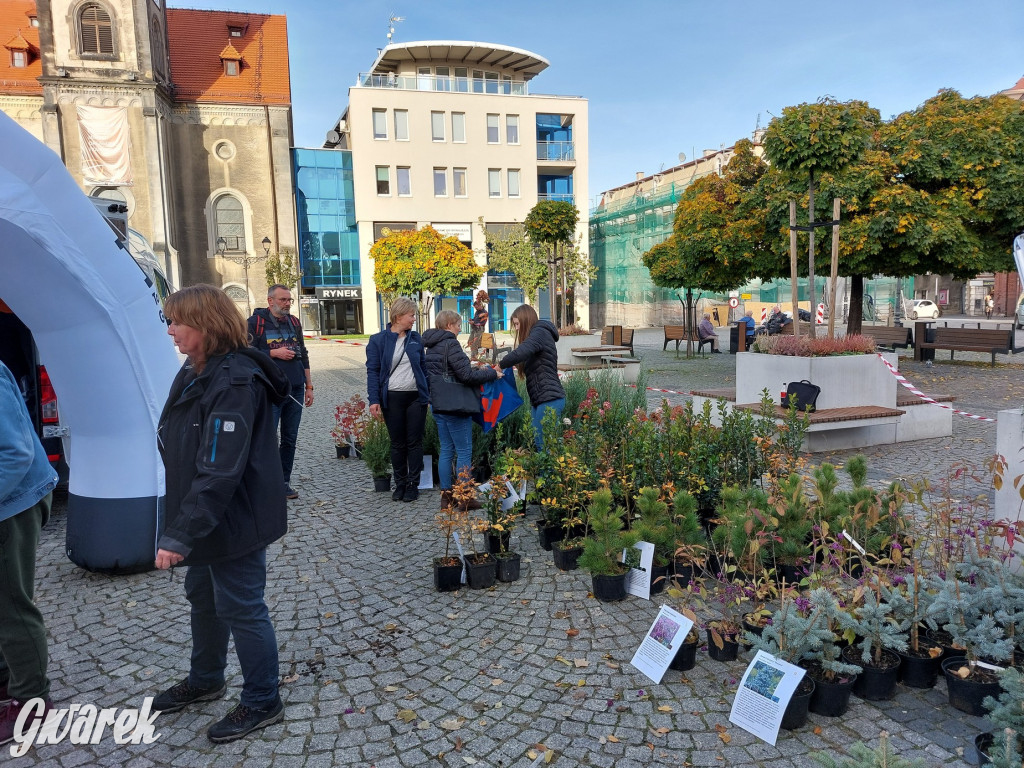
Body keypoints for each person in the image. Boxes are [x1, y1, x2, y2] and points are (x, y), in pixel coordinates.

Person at [153, 284, 290, 743]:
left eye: (177, 322)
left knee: (241, 606)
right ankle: (207, 678)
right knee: (204, 598)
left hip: (235, 515)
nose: (170, 330)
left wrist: (179, 534)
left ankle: (262, 699)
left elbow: (219, 467)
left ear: (206, 325)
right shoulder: (197, 369)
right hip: (207, 516)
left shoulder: (234, 379)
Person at [0, 361, 58, 746]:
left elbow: (15, 454)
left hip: (11, 503)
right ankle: (8, 682)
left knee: (10, 607)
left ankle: (31, 702)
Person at [423, 310, 498, 509]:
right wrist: (490, 373)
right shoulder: (451, 343)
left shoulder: (430, 347)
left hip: (438, 405)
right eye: (457, 324)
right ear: (448, 325)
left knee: (446, 450)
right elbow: (466, 376)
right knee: (464, 451)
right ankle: (465, 498)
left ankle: (446, 497)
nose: (459, 328)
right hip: (456, 405)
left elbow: (447, 374)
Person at [248, 284, 313, 500]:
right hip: (269, 390)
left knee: (290, 438)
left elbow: (303, 353)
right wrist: (274, 352)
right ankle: (266, 483)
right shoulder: (254, 323)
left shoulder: (294, 322)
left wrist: (309, 385)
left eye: (289, 300)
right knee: (267, 438)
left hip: (295, 388)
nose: (287, 304)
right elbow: (247, 354)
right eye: (283, 300)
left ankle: (284, 482)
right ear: (270, 301)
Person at [366, 297, 429, 502]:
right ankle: (400, 484)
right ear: (399, 316)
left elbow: (424, 368)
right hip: (392, 398)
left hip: (415, 398)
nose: (413, 320)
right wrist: (373, 400)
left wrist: (428, 394)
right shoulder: (378, 340)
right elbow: (373, 372)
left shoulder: (415, 339)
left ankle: (413, 484)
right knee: (397, 443)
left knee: (414, 442)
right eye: (411, 315)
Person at [498, 305, 564, 450]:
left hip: (549, 398)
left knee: (544, 446)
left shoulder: (540, 333)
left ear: (526, 320)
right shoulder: (536, 335)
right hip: (541, 399)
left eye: (517, 324)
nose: (516, 328)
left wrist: (500, 365)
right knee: (541, 444)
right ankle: (545, 472)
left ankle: (549, 473)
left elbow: (520, 352)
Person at [467, 290, 489, 360]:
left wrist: (474, 322)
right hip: (474, 329)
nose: (476, 308)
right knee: (470, 341)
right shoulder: (477, 312)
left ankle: (474, 357)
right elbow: (476, 319)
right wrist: (472, 320)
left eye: (476, 307)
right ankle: (474, 356)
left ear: (480, 305)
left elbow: (482, 322)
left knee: (474, 343)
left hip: (479, 329)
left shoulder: (484, 312)